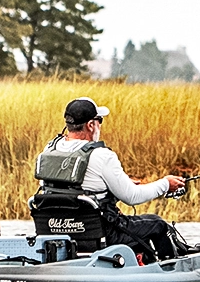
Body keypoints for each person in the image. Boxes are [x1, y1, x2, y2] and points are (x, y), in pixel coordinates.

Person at [35, 96, 189, 261]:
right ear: (90, 125)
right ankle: (170, 269)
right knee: (158, 224)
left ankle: (143, 261)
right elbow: (132, 197)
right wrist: (165, 184)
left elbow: (64, 187)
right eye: (99, 120)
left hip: (55, 234)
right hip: (99, 235)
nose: (100, 125)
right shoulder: (102, 155)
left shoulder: (49, 150)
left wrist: (120, 182)